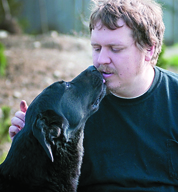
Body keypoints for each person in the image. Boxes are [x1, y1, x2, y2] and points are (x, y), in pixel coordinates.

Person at [8, 0, 178, 191]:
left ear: (149, 49)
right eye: (96, 48)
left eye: (115, 49)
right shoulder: (72, 109)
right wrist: (28, 147)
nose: (101, 60)